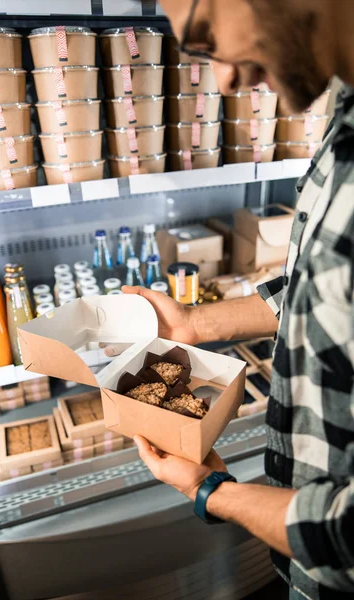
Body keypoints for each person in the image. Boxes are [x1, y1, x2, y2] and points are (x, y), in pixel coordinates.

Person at [117, 1, 354, 598]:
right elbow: (322, 284)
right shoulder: (346, 115)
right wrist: (195, 322)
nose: (222, 77)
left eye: (206, 36)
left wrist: (211, 492)